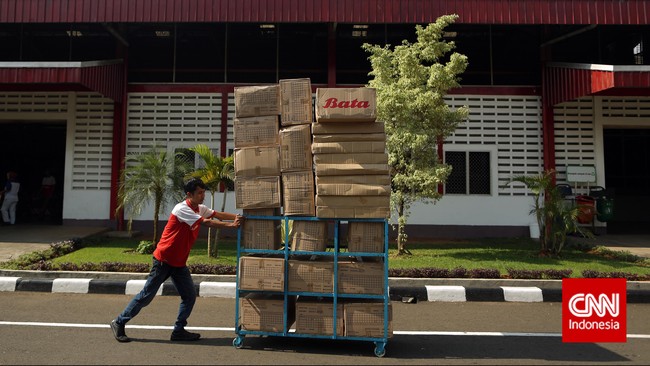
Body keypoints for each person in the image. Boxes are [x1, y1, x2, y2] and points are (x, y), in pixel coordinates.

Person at [110, 178, 243, 342]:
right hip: (163, 260)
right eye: (199, 193)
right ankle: (119, 321)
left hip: (179, 263)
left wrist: (238, 217)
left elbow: (216, 214)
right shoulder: (182, 209)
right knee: (146, 296)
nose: (203, 196)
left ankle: (178, 331)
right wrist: (232, 226)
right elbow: (207, 222)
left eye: (204, 192)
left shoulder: (199, 208)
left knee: (189, 296)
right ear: (189, 194)